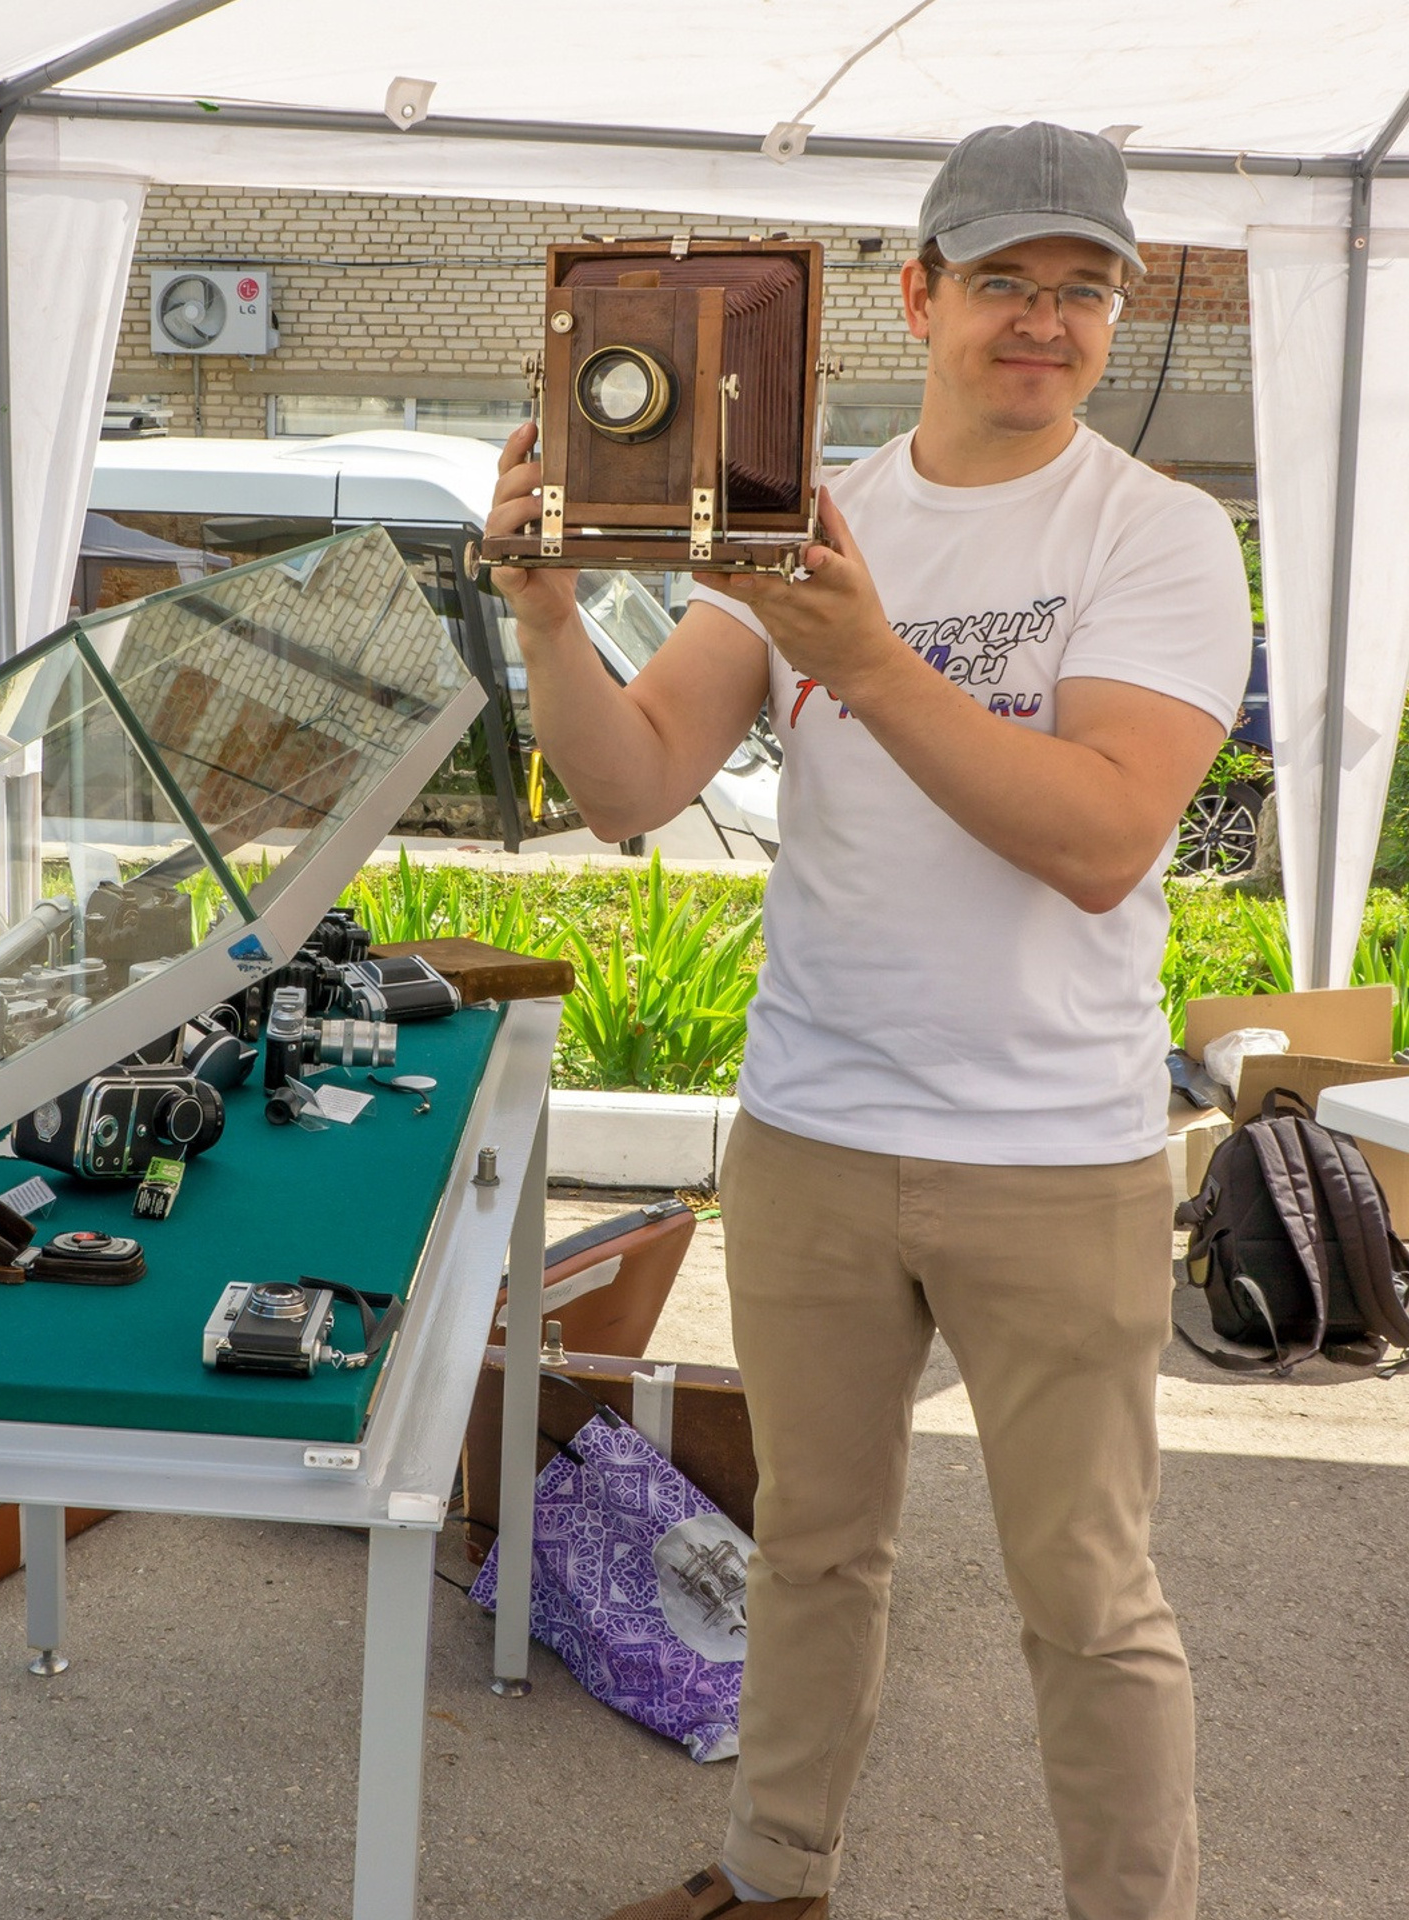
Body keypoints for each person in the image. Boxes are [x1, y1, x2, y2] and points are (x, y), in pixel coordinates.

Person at [485, 123, 1251, 1920]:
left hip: (1052, 1156)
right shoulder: (801, 515)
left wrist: (871, 662)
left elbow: (1101, 839)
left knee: (1089, 1599)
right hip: (815, 1133)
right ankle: (777, 1880)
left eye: (1083, 290)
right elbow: (630, 787)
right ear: (916, 296)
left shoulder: (1157, 533)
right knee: (812, 1551)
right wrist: (546, 619)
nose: (1043, 321)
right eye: (1005, 282)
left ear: (1115, 317)